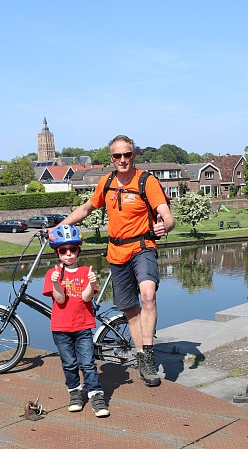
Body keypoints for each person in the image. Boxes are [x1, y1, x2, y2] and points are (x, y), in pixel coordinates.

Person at [61, 135, 175, 387]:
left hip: (142, 246)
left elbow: (167, 215)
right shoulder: (107, 182)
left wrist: (164, 225)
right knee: (129, 310)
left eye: (127, 155)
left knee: (147, 294)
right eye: (117, 156)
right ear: (111, 158)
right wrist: (58, 227)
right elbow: (85, 209)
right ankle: (141, 356)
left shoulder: (147, 181)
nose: (123, 160)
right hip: (116, 251)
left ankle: (148, 355)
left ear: (134, 155)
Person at [42, 224, 109, 417]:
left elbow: (87, 298)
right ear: (58, 253)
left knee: (87, 362)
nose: (69, 254)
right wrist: (55, 282)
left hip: (83, 325)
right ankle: (75, 392)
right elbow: (60, 299)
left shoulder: (85, 271)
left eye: (73, 250)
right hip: (61, 327)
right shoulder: (52, 273)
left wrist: (93, 282)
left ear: (78, 250)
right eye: (64, 251)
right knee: (69, 363)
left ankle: (96, 394)